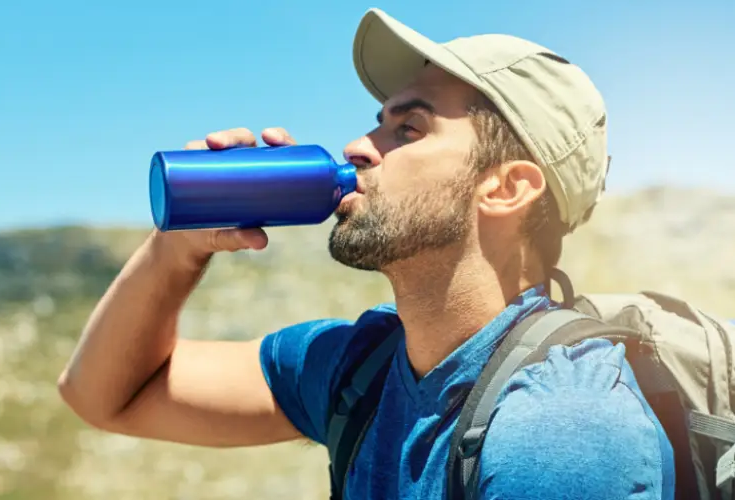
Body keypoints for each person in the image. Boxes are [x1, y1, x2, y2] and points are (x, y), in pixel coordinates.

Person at [57, 7, 676, 500]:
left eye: (408, 129)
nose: (357, 145)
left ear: (506, 188)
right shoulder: (360, 367)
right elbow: (107, 395)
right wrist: (178, 249)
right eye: (377, 122)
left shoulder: (561, 434)